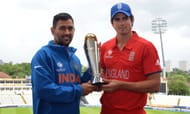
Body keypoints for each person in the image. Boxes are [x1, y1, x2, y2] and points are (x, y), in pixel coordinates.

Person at [99, 2, 162, 114]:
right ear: (112, 23)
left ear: (132, 20)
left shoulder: (146, 47)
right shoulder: (105, 47)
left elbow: (155, 85)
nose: (121, 23)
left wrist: (121, 85)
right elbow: (100, 73)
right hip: (107, 110)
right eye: (117, 19)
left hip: (133, 111)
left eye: (125, 18)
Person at [31, 12, 96, 114]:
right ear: (52, 31)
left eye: (70, 28)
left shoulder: (75, 59)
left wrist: (94, 68)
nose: (67, 32)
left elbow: (78, 84)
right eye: (62, 28)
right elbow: (44, 90)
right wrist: (79, 90)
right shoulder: (42, 56)